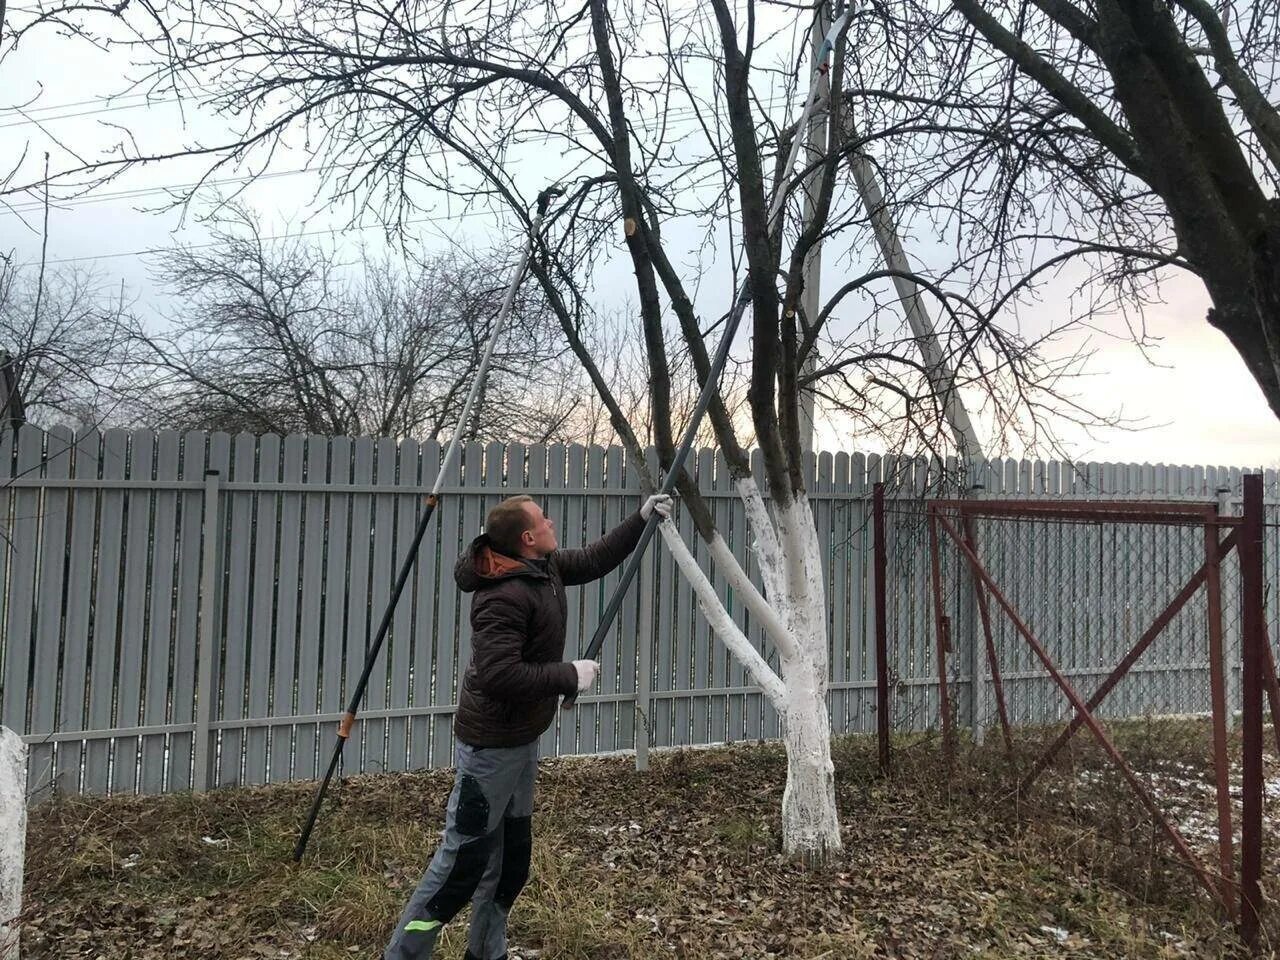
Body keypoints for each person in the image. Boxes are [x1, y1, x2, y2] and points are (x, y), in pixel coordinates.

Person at [384, 491, 673, 960]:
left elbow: (596, 558)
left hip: (521, 740)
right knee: (463, 863)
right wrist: (567, 675)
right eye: (543, 519)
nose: (551, 521)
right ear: (527, 537)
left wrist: (640, 519)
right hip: (491, 748)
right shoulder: (503, 595)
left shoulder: (543, 567)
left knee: (510, 862)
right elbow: (499, 675)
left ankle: (486, 952)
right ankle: (403, 954)